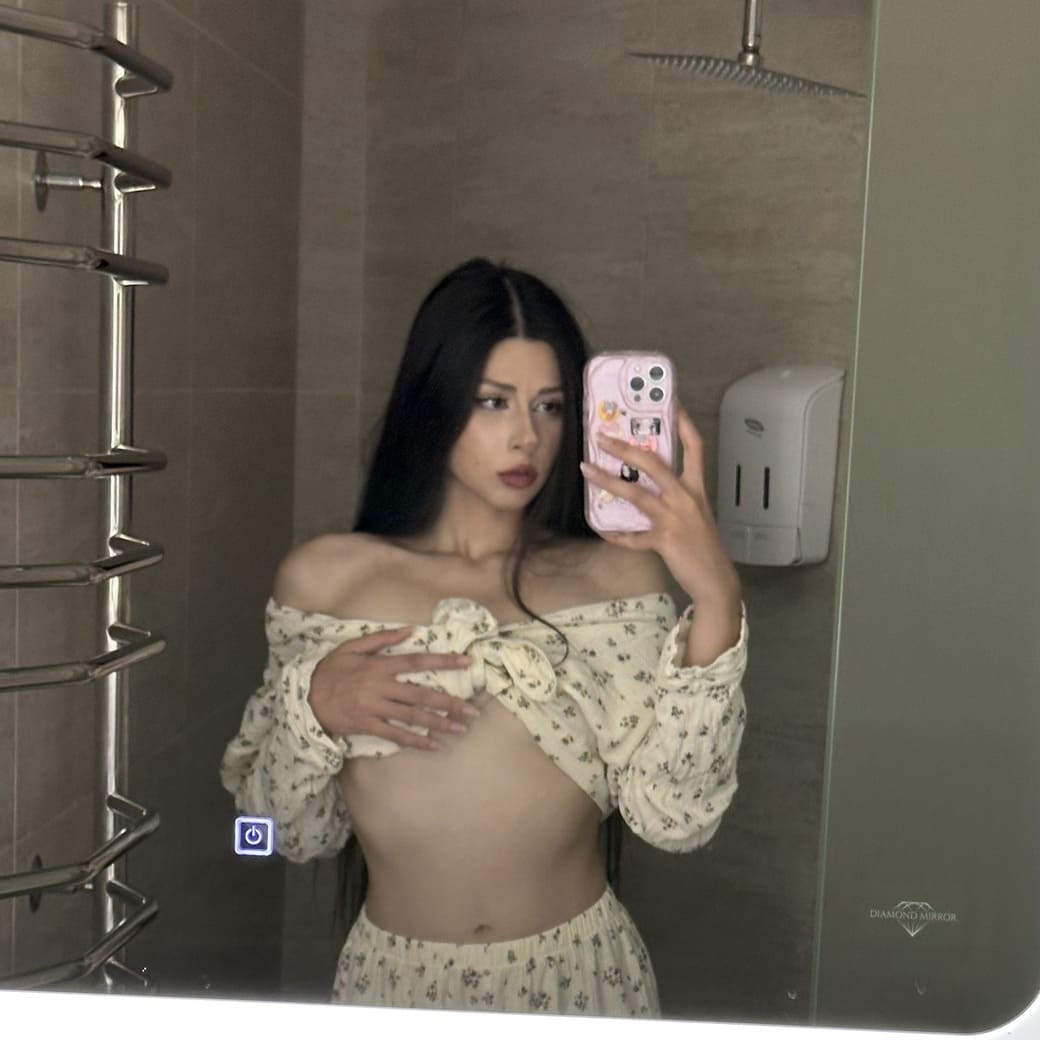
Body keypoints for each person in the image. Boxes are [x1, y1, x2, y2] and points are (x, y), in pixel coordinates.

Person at [220, 258, 747, 1017]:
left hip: (582, 981)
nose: (526, 436)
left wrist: (716, 592)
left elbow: (677, 818)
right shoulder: (325, 583)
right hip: (394, 990)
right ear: (433, 402)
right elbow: (273, 834)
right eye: (492, 401)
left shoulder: (618, 578)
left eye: (551, 406)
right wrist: (314, 705)